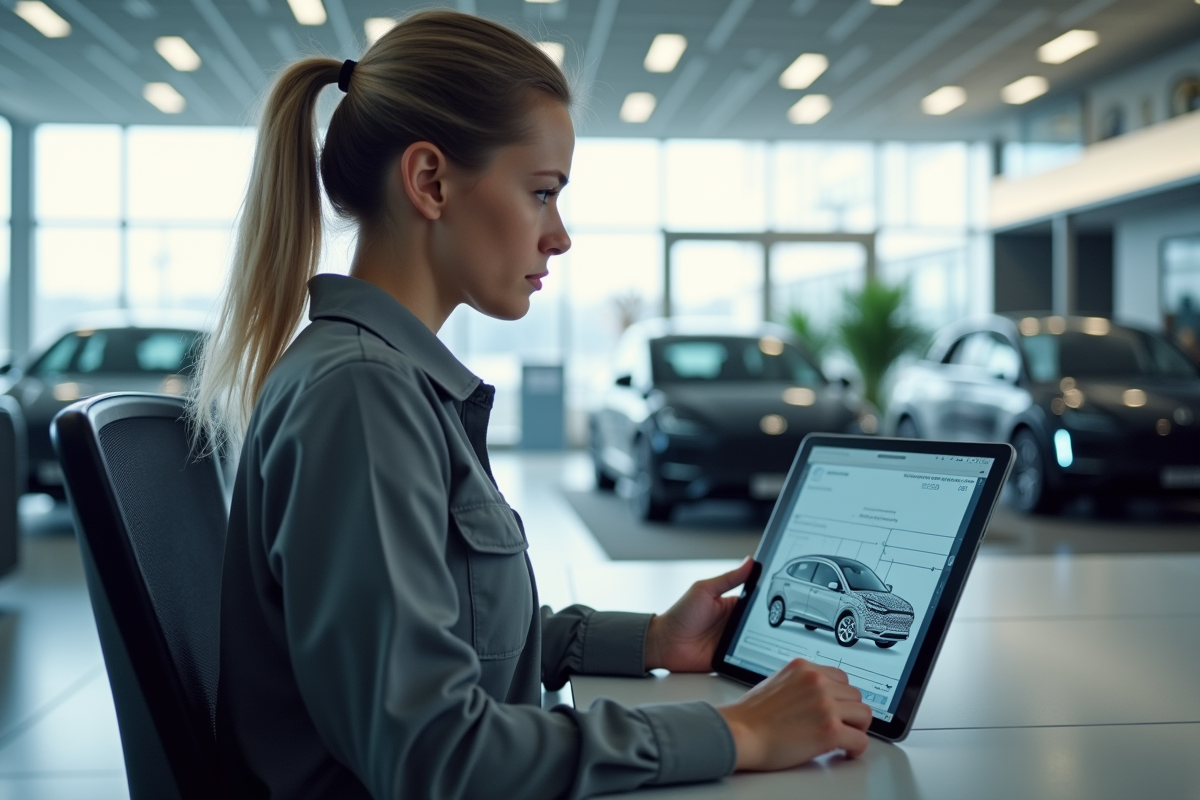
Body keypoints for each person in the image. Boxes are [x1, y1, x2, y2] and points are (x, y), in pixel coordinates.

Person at [191, 10, 871, 799]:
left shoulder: (386, 383)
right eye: (542, 193)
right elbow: (432, 753)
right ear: (431, 181)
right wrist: (738, 731)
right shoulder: (361, 396)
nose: (560, 236)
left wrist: (650, 638)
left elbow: (457, 640)